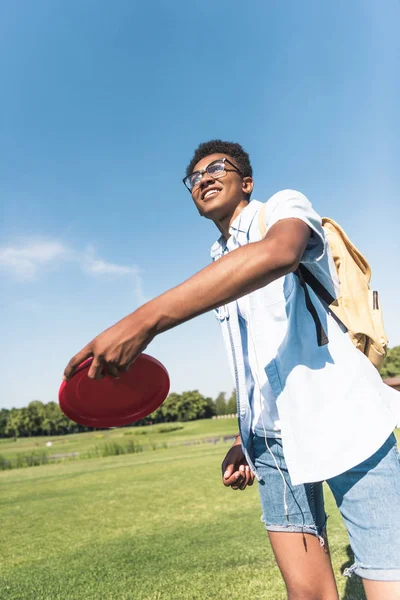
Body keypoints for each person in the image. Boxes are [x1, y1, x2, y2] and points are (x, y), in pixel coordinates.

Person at [64, 140, 400, 599]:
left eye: (216, 168)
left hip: (348, 421)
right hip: (271, 446)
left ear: (246, 182)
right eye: (194, 177)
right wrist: (246, 438)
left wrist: (142, 322)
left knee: (390, 584)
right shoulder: (219, 263)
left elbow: (280, 252)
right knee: (309, 594)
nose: (203, 178)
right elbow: (254, 365)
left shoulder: (281, 209)